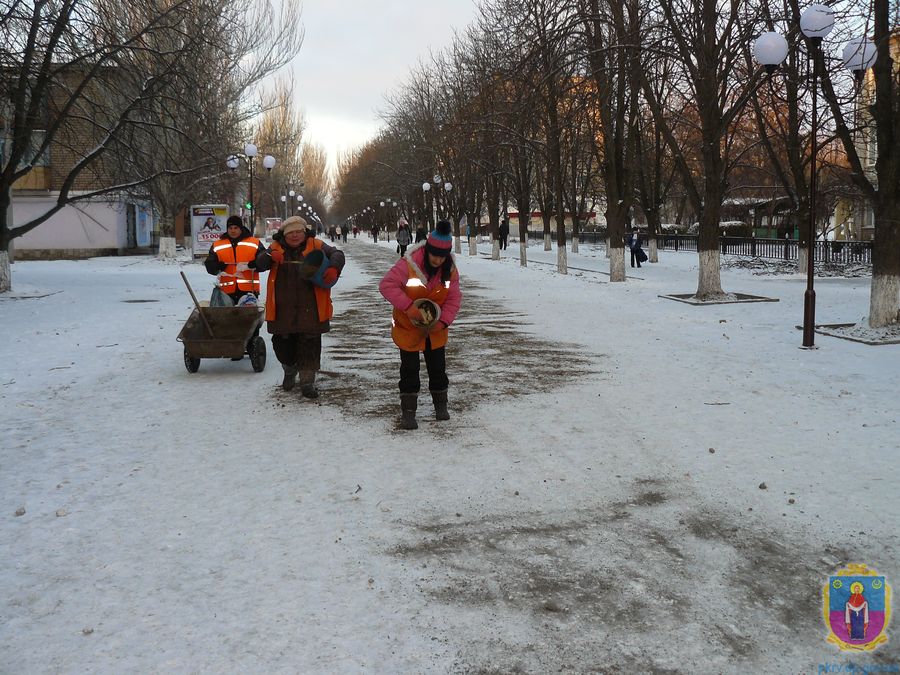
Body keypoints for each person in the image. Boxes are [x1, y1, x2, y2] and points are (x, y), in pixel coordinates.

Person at [379, 220, 462, 430]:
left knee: (438, 370)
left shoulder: (450, 271)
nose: (437, 260)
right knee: (409, 370)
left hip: (435, 331)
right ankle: (408, 411)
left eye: (442, 256)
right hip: (407, 328)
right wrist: (408, 307)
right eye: (434, 255)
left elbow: (453, 298)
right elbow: (386, 285)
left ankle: (440, 406)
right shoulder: (408, 265)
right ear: (427, 251)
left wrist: (443, 322)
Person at [255, 216, 345, 397]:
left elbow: (337, 254)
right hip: (283, 307)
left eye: (299, 232)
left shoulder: (316, 245)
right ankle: (289, 369)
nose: (295, 236)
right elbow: (259, 262)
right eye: (291, 233)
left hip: (311, 306)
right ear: (284, 235)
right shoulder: (276, 247)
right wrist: (269, 256)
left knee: (309, 344)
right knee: (282, 344)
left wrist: (334, 267)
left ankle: (307, 382)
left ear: (305, 233)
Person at [204, 215, 265, 305]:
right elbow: (209, 264)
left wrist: (253, 265)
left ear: (241, 228)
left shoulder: (254, 243)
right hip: (226, 292)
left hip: (249, 291)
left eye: (236, 228)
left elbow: (264, 262)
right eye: (230, 228)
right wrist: (217, 266)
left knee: (247, 318)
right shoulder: (217, 245)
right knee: (227, 317)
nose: (233, 230)